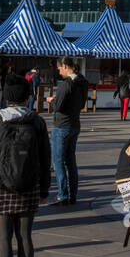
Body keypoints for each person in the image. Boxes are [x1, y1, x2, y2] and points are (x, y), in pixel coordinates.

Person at [0, 76, 50, 257]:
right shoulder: (37, 122)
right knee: (25, 237)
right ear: (26, 97)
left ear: (7, 97)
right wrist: (44, 188)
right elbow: (46, 159)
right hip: (29, 186)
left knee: (3, 240)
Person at [45, 56, 87, 206]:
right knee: (70, 161)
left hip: (62, 125)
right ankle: (72, 194)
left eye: (59, 68)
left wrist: (52, 100)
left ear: (64, 66)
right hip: (75, 124)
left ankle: (62, 194)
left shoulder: (66, 84)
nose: (59, 71)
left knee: (58, 161)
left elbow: (59, 107)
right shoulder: (82, 82)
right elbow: (82, 103)